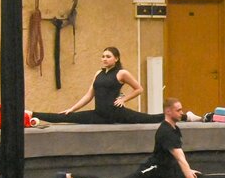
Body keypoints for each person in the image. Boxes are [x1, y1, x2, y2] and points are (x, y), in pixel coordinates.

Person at [53, 98, 225, 178]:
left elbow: (179, 162)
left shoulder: (175, 128)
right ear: (168, 112)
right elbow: (181, 159)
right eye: (178, 110)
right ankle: (68, 176)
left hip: (167, 172)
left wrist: (191, 175)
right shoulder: (166, 131)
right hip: (152, 171)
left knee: (197, 175)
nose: (182, 112)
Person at [32, 47, 168, 125]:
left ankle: (178, 116)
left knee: (150, 119)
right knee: (65, 117)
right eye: (103, 56)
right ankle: (31, 113)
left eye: (108, 56)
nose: (104, 59)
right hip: (99, 114)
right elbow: (89, 95)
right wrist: (72, 108)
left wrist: (123, 99)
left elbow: (139, 89)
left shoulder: (121, 73)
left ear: (116, 58)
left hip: (116, 113)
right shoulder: (98, 73)